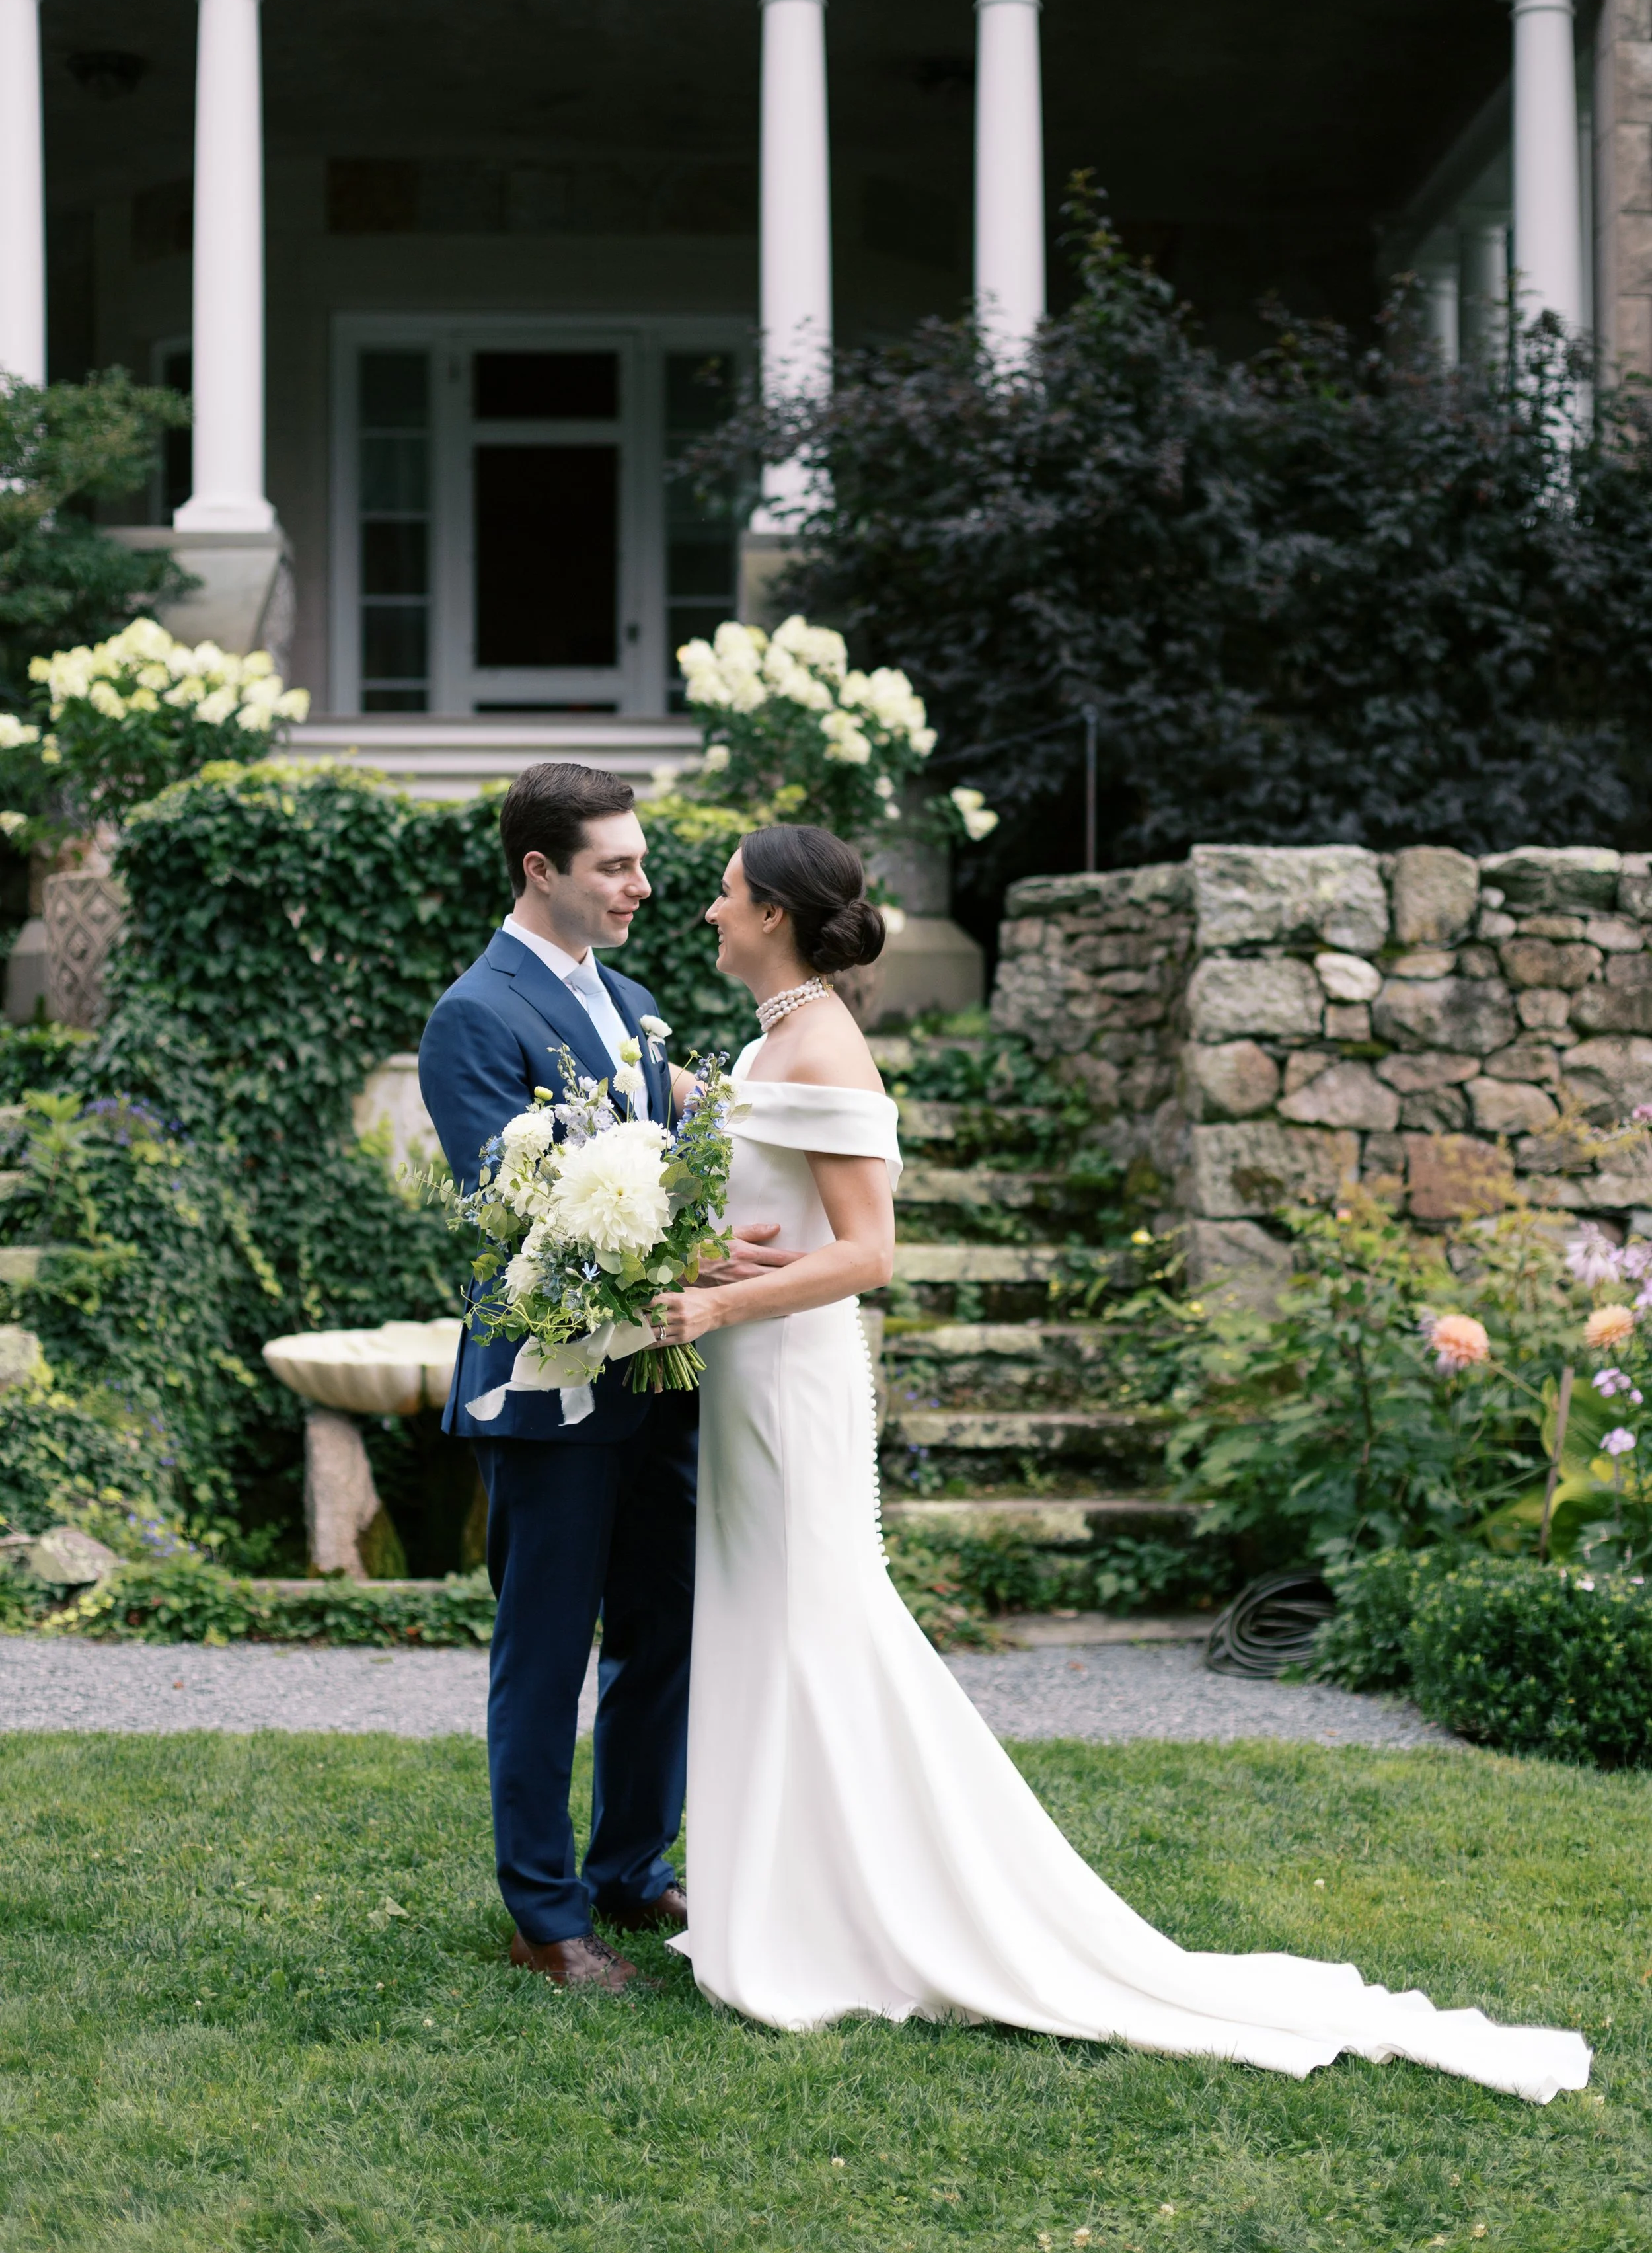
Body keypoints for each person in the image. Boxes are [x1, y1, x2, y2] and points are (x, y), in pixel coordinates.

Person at [651, 820, 1591, 2104]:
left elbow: (871, 1255)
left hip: (788, 1383)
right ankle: (788, 1900)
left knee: (823, 1626)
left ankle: (866, 1913)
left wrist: (712, 1308)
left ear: (771, 912)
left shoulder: (825, 1046)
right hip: (754, 1369)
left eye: (720, 894)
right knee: (768, 1625)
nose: (705, 910)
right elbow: (796, 1209)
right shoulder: (773, 1039)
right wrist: (710, 1224)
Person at [418, 761, 793, 1992]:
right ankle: (544, 1912)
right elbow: (511, 1210)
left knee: (661, 1634)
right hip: (547, 1389)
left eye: (639, 859)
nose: (643, 883)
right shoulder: (476, 1014)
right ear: (542, 871)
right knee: (544, 1655)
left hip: (660, 1376)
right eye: (616, 865)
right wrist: (698, 1251)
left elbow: (696, 1147)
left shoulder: (630, 998)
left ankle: (632, 1868)